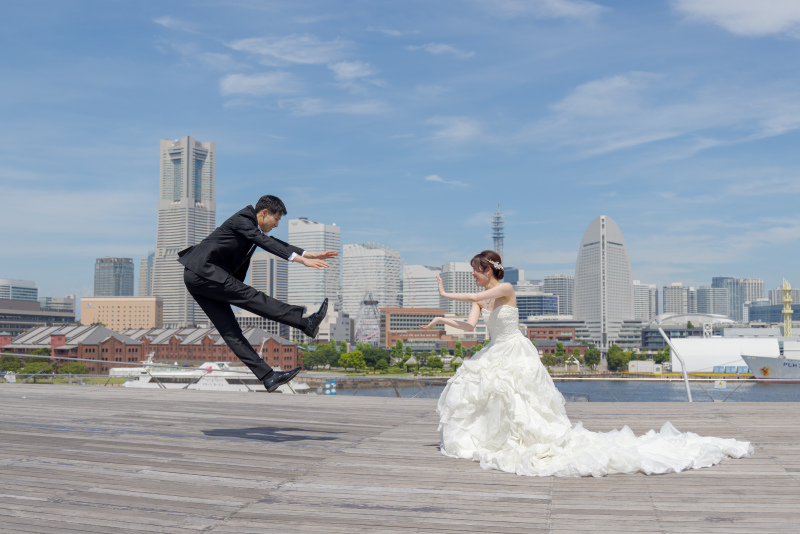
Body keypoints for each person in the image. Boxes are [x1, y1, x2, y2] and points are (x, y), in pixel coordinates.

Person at [422, 250, 753, 477]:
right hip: (495, 349)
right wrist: (441, 318)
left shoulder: (505, 288)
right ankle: (493, 440)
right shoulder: (486, 298)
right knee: (486, 394)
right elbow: (469, 325)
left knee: (517, 399)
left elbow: (474, 298)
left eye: (476, 273)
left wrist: (445, 293)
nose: (474, 279)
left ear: (488, 270)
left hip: (515, 351)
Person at [179, 195, 337, 392]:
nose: (277, 224)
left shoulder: (251, 227)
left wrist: (307, 254)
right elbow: (264, 241)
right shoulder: (243, 220)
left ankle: (268, 376)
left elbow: (272, 241)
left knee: (231, 331)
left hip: (197, 276)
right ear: (264, 213)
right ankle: (305, 322)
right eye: (277, 219)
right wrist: (300, 261)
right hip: (204, 271)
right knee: (251, 297)